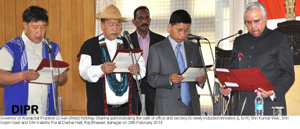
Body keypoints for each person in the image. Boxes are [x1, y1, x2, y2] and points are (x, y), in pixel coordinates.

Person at [220, 2, 295, 115]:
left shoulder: (279, 39)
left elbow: (288, 74)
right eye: (248, 22)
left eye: (256, 21)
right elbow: (233, 73)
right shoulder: (239, 41)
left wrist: (273, 91)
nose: (253, 26)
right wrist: (228, 88)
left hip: (271, 105)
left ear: (265, 19)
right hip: (244, 106)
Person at [78, 4, 146, 115]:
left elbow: (142, 68)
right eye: (111, 24)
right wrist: (101, 69)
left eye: (118, 24)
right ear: (102, 25)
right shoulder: (90, 45)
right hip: (101, 109)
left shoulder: (129, 43)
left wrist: (137, 70)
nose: (115, 28)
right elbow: (83, 71)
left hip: (127, 109)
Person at [0, 5, 67, 115]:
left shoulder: (51, 47)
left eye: (43, 27)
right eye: (35, 27)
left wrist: (61, 76)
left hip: (46, 110)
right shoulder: (11, 47)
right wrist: (23, 75)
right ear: (25, 25)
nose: (39, 32)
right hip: (20, 110)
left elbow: (63, 74)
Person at [147, 10, 206, 115]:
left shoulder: (194, 48)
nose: (183, 34)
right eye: (179, 30)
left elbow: (200, 72)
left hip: (192, 108)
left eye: (186, 30)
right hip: (167, 108)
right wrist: (168, 78)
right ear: (169, 27)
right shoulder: (157, 49)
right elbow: (151, 79)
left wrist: (201, 80)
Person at [130, 6, 165, 115]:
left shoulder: (161, 40)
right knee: (133, 116)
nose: (144, 21)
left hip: (154, 85)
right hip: (134, 84)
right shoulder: (126, 40)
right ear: (134, 21)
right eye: (140, 18)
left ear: (150, 21)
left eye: (146, 18)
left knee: (155, 116)